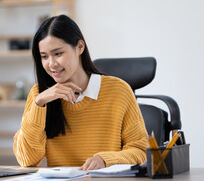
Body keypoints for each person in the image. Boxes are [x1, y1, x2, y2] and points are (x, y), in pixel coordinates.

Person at [13, 14, 148, 171]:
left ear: (80, 47)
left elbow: (142, 151)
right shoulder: (40, 95)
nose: (51, 64)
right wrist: (39, 103)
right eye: (44, 57)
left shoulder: (119, 91)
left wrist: (106, 160)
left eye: (58, 54)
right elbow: (27, 160)